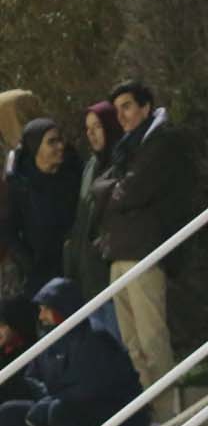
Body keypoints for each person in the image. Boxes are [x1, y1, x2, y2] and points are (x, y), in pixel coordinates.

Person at [0, 278, 149, 426]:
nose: (41, 316)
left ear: (63, 308)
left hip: (113, 419)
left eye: (46, 309)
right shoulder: (50, 340)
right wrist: (44, 402)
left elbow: (93, 389)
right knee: (7, 414)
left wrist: (48, 403)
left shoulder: (96, 338)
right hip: (63, 413)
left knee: (59, 410)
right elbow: (34, 379)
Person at [92, 80, 191, 385]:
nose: (122, 116)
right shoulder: (126, 147)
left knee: (152, 340)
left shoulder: (160, 141)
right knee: (132, 347)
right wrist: (109, 192)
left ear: (145, 107)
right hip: (119, 253)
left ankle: (169, 414)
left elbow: (131, 191)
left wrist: (107, 193)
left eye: (128, 106)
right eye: (118, 109)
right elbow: (103, 189)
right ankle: (152, 416)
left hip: (144, 253)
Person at [6, 116, 80, 293]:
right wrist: (30, 264)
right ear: (35, 146)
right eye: (51, 142)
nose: (59, 146)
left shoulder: (73, 175)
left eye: (59, 140)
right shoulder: (19, 185)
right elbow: (8, 231)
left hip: (77, 269)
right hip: (41, 277)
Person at [63, 100, 120, 326]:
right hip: (88, 274)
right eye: (88, 129)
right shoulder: (90, 166)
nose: (92, 134)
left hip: (110, 269)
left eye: (97, 127)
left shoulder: (121, 162)